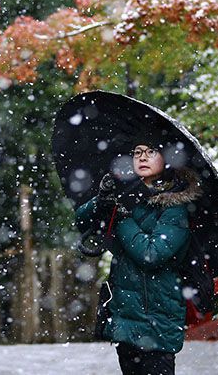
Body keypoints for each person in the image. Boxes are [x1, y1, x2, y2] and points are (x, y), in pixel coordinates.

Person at [75, 144, 201, 375]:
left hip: (158, 319)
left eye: (151, 151)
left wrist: (122, 220)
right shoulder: (124, 192)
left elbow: (151, 254)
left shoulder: (176, 206)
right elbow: (81, 221)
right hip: (125, 317)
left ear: (167, 158)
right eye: (137, 152)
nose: (142, 157)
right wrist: (101, 201)